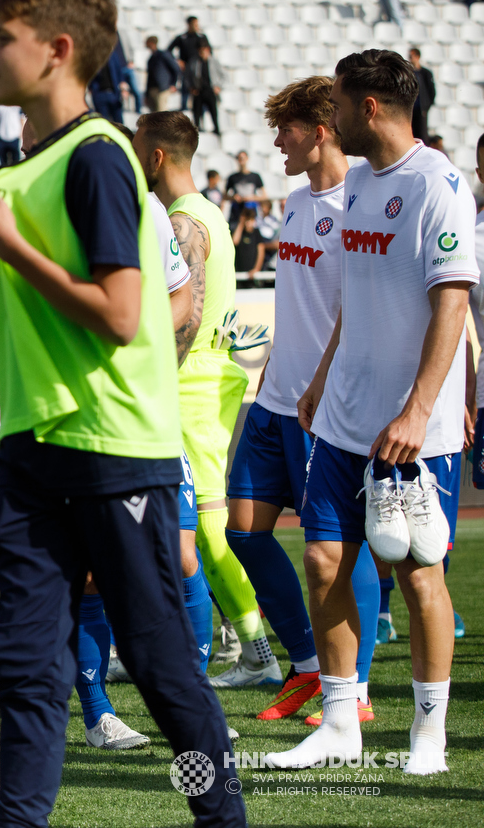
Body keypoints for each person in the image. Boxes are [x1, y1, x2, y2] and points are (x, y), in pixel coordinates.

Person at [0, 0, 241, 825]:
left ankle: (222, 817)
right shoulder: (33, 161)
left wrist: (7, 244)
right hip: (36, 451)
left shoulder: (97, 155)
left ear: (57, 50)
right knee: (27, 665)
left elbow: (122, 314)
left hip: (113, 449)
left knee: (159, 668)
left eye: (2, 36)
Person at [266, 50, 469, 777]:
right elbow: (353, 296)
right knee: (322, 561)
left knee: (418, 578)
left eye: (342, 106)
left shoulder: (438, 184)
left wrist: (419, 409)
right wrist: (323, 375)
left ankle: (428, 735)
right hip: (343, 418)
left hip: (413, 431)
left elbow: (452, 302)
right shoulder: (356, 185)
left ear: (370, 108)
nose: (334, 117)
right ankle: (341, 722)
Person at [223, 77, 385, 724]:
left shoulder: (361, 204)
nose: (276, 141)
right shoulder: (293, 201)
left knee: (343, 547)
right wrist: (270, 374)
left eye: (285, 129)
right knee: (243, 531)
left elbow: (356, 311)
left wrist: (323, 380)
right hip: (274, 399)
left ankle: (361, 687)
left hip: (329, 407)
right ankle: (310, 666)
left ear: (319, 130)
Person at [132, 112, 275, 698]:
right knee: (182, 530)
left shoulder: (183, 220)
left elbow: (183, 314)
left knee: (206, 533)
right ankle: (234, 642)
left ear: (158, 157)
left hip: (189, 384)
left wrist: (147, 377)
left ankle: (256, 648)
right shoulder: (208, 210)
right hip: (203, 378)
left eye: (138, 149)